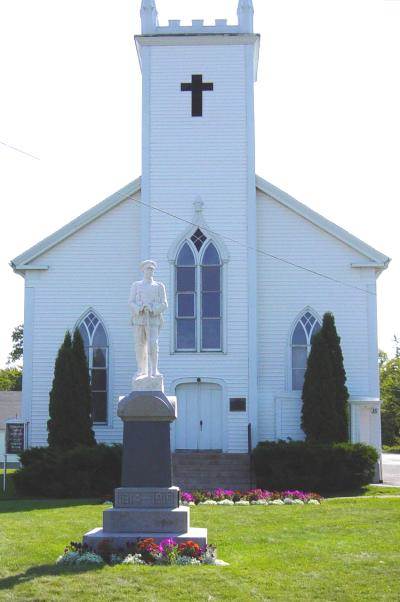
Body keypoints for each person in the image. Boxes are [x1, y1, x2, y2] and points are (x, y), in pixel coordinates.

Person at [128, 260, 168, 378]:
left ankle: (154, 369)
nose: (150, 271)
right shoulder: (136, 285)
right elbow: (130, 302)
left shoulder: (159, 286)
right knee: (140, 345)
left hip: (153, 320)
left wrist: (153, 309)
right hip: (139, 320)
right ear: (143, 270)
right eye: (147, 269)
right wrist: (140, 308)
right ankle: (142, 370)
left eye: (151, 269)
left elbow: (164, 303)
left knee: (153, 344)